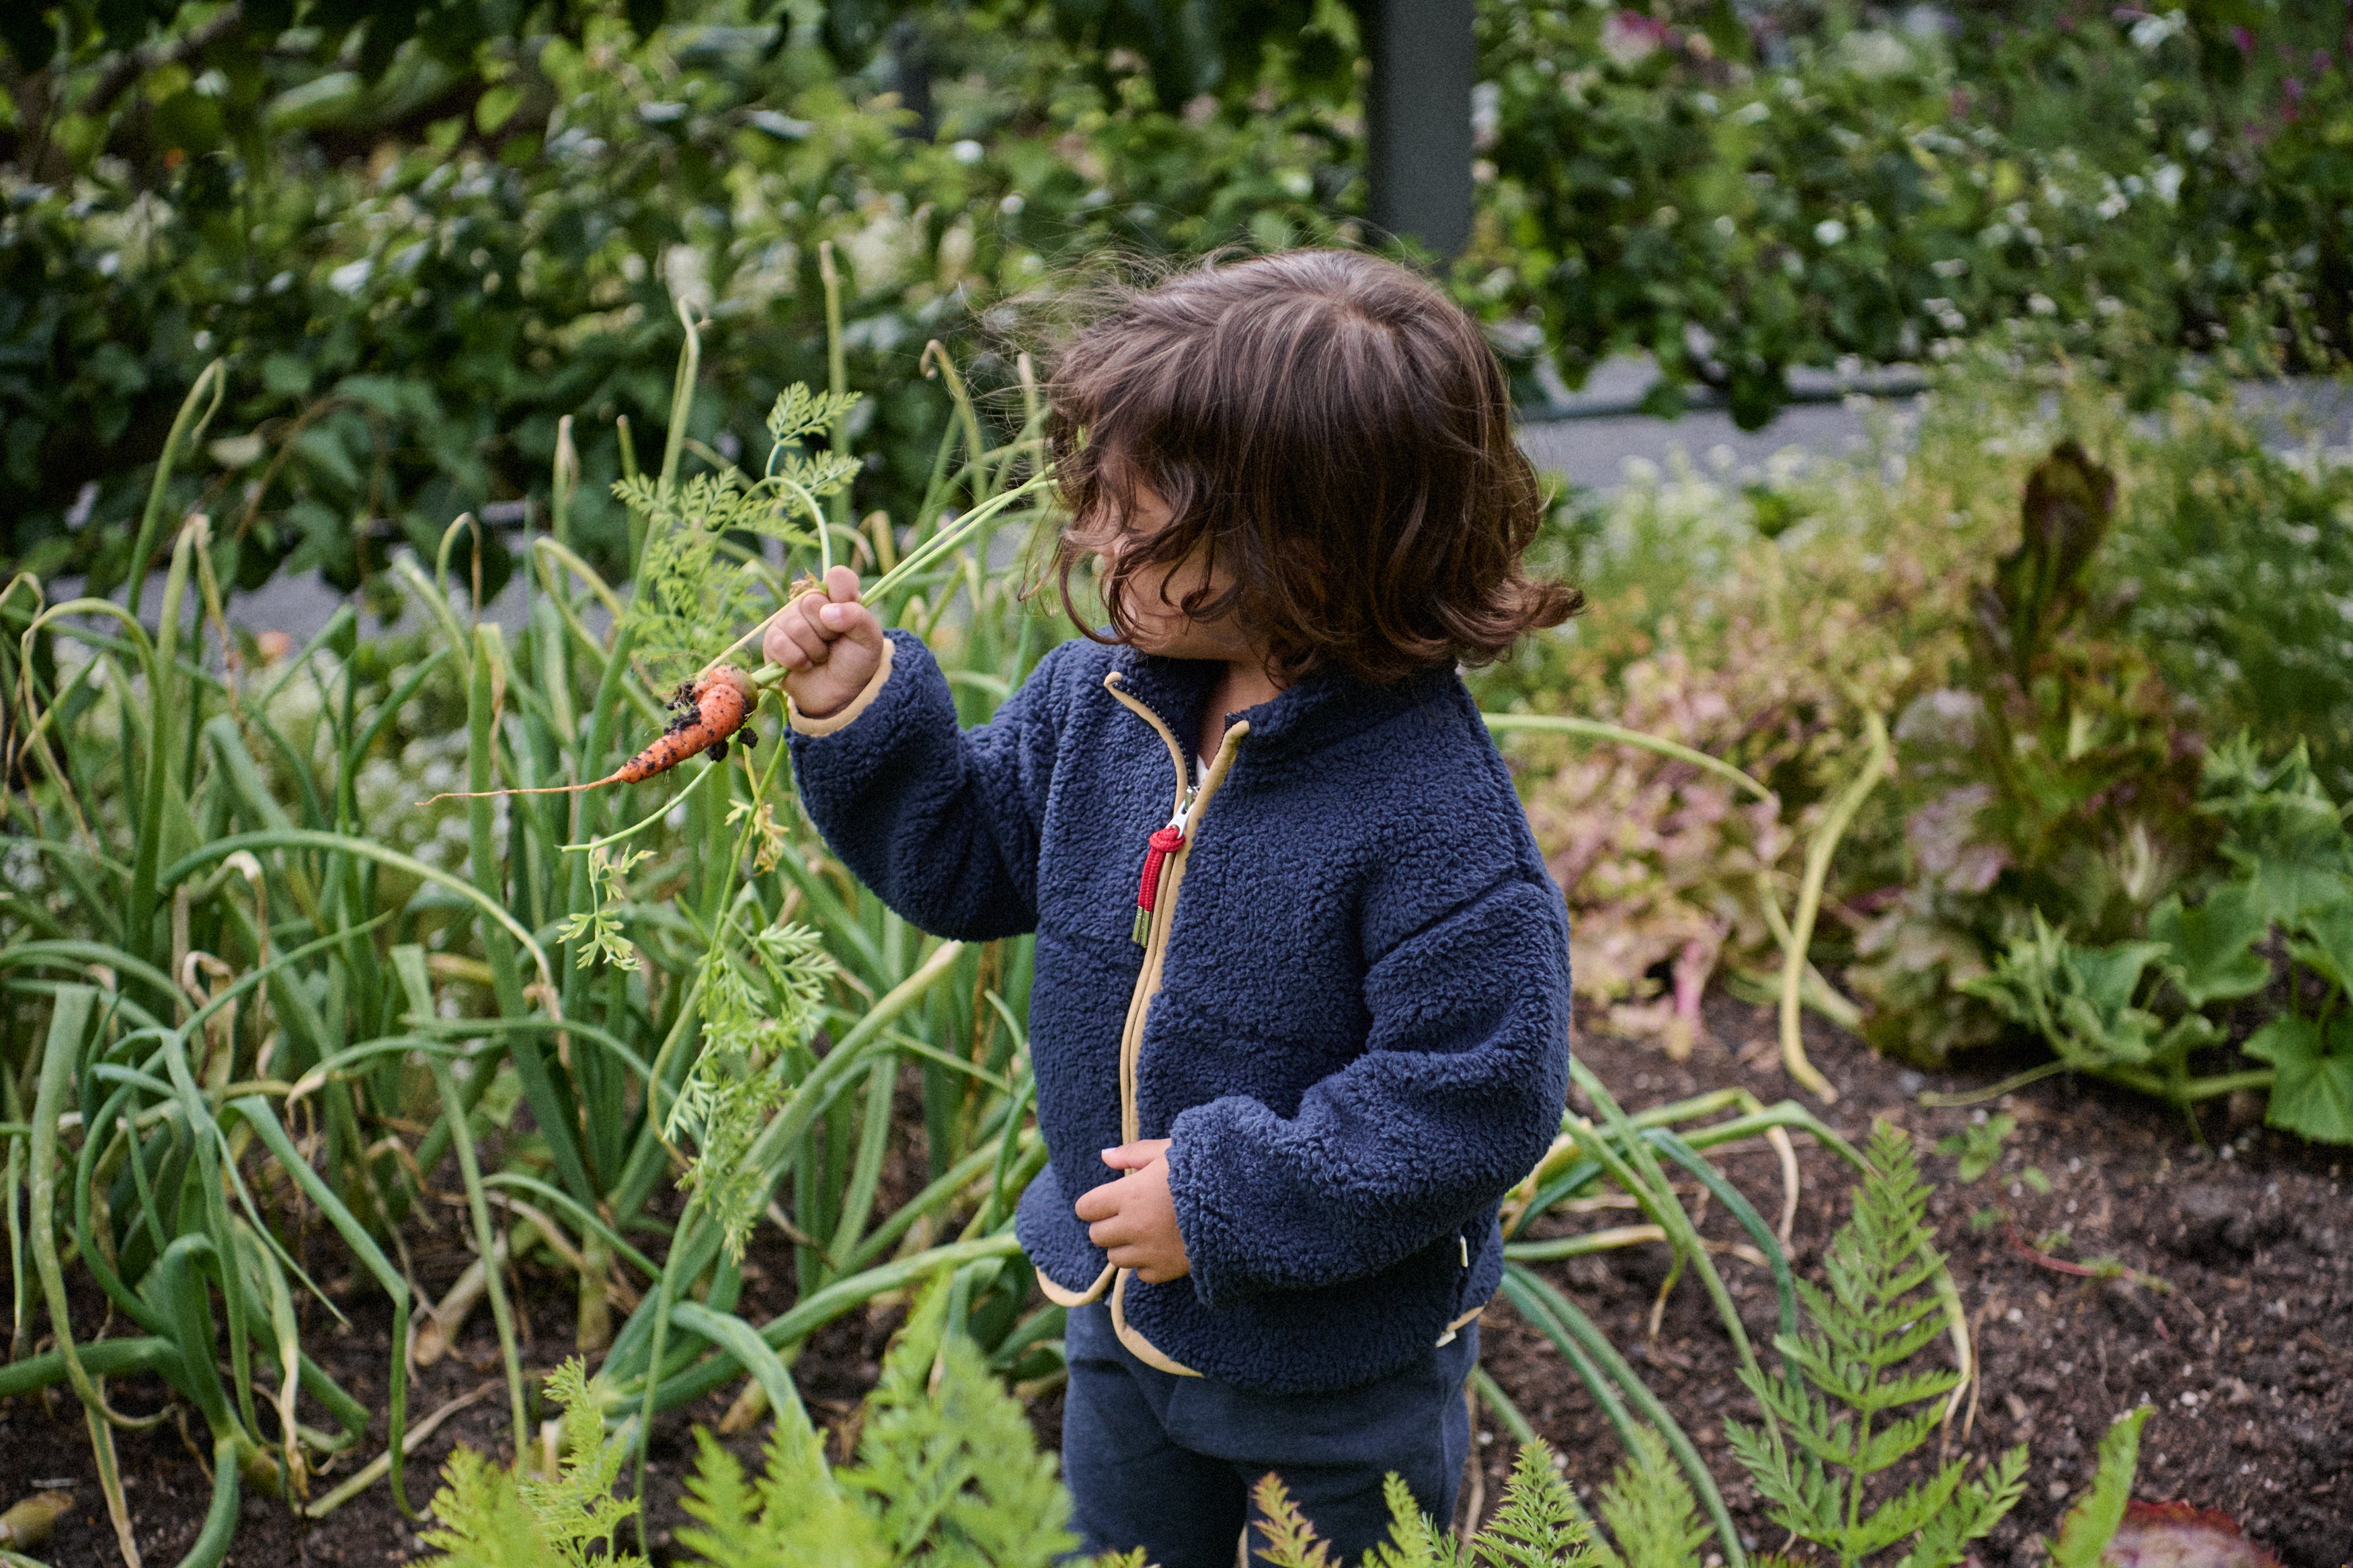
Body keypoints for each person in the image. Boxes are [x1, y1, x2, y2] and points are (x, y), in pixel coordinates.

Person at [765, 249, 1579, 1566]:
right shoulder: (1103, 708)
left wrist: (1219, 1199)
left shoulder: (1429, 811)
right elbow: (970, 862)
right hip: (1122, 1308)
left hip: (1335, 1362)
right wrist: (860, 715)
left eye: (1129, 514)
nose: (1087, 533)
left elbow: (1475, 1090)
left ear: (1303, 549)